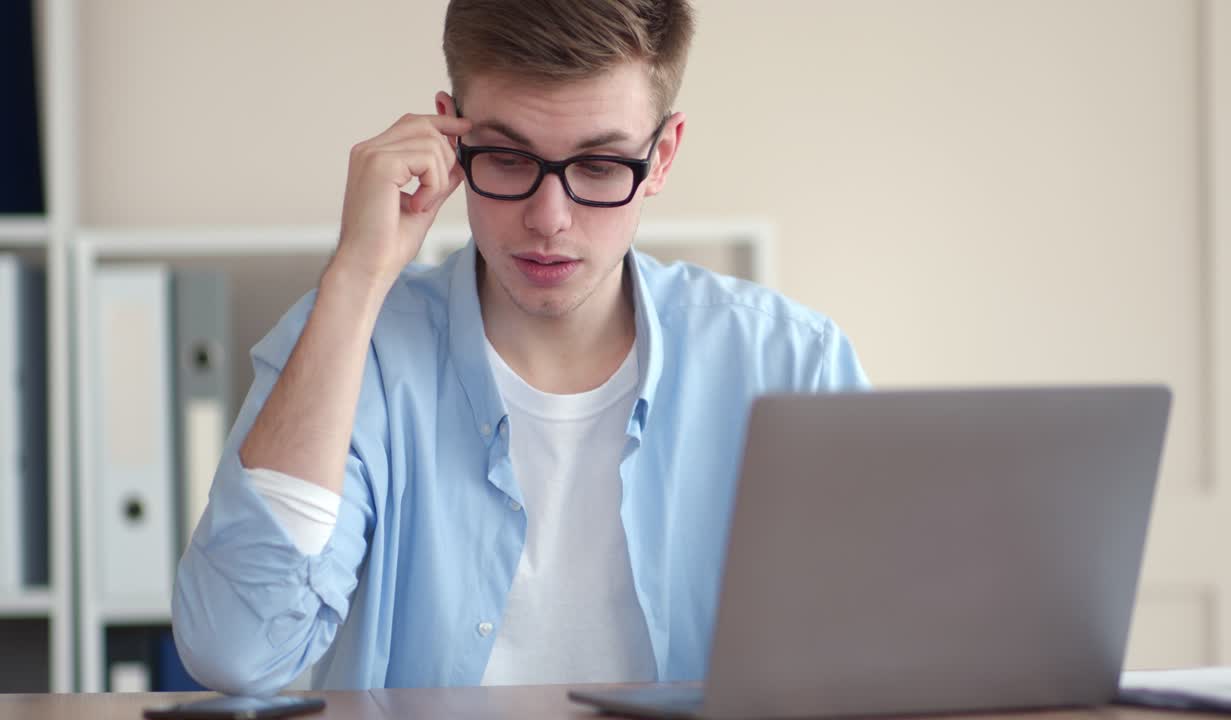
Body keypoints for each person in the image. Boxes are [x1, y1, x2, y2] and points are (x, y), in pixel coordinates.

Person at [173, 0, 868, 696]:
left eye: (598, 166)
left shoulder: (789, 366)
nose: (547, 219)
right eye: (507, 158)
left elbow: (878, 657)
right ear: (450, 139)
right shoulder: (357, 347)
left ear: (661, 156)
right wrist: (358, 275)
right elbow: (241, 653)